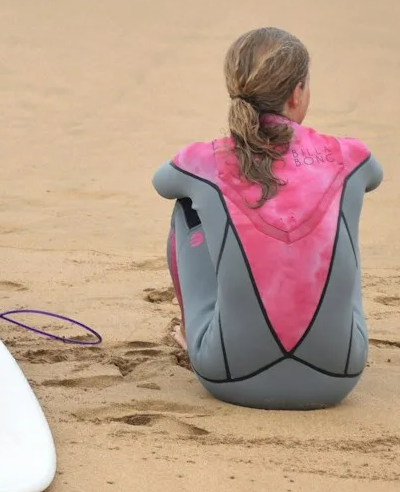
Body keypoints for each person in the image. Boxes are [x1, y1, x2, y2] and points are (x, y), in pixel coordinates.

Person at [152, 27, 382, 409]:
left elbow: (162, 183)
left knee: (187, 203)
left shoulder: (203, 159)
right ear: (297, 93)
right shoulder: (349, 155)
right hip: (339, 376)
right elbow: (376, 177)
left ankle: (198, 333)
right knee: (344, 202)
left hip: (227, 375)